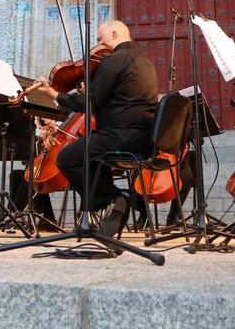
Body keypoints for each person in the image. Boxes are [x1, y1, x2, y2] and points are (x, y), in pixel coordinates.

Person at [27, 20, 158, 236]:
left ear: (114, 34)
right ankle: (112, 208)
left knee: (67, 157)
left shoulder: (114, 61)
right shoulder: (146, 63)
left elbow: (89, 103)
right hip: (143, 139)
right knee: (92, 158)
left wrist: (54, 94)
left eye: (100, 38)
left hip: (119, 137)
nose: (97, 44)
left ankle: (115, 198)